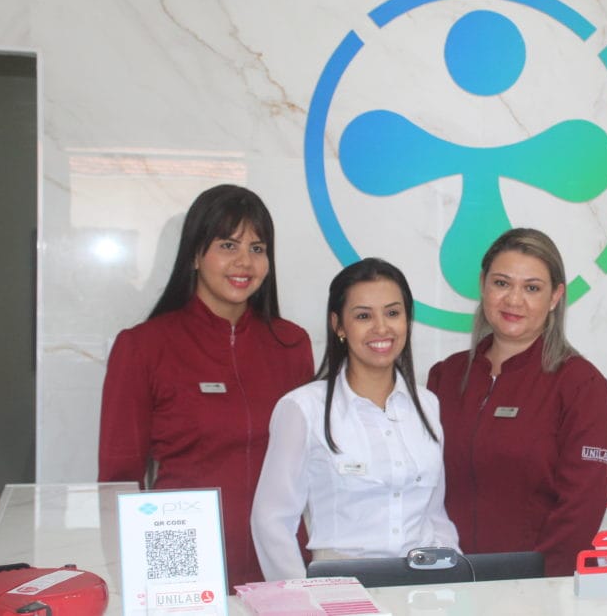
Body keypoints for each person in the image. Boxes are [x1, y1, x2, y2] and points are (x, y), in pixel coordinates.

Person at [98, 184, 314, 589]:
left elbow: (311, 463)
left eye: (257, 248)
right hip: (180, 562)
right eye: (228, 245)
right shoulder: (143, 347)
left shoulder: (292, 344)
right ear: (195, 255)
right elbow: (118, 480)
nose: (244, 261)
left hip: (281, 561)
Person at [251, 258, 458, 580]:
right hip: (340, 588)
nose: (381, 328)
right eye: (363, 316)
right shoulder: (303, 409)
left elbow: (435, 515)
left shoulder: (427, 405)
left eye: (393, 313)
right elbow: (271, 521)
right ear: (338, 325)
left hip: (423, 588)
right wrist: (300, 598)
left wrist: (453, 582)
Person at [427, 227, 607, 577]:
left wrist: (531, 585)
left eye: (532, 288)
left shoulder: (581, 384)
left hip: (541, 588)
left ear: (555, 296)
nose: (514, 300)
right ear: (483, 285)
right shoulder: (445, 377)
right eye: (502, 283)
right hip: (451, 582)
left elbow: (580, 509)